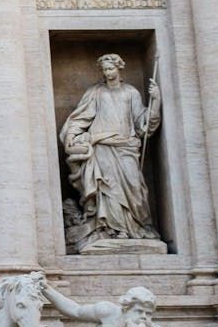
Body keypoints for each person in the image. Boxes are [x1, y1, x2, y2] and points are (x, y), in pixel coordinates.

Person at [60, 54, 161, 245]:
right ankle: (112, 230)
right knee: (108, 189)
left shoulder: (131, 93)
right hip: (102, 147)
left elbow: (143, 123)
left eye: (111, 69)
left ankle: (134, 226)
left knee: (134, 186)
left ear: (119, 69)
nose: (107, 73)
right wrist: (72, 134)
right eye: (105, 70)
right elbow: (81, 118)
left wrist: (156, 101)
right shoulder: (95, 92)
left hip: (126, 146)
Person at [40, 283, 174, 327]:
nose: (144, 317)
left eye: (148, 313)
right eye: (139, 312)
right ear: (126, 309)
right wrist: (46, 289)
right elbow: (75, 311)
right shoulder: (107, 313)